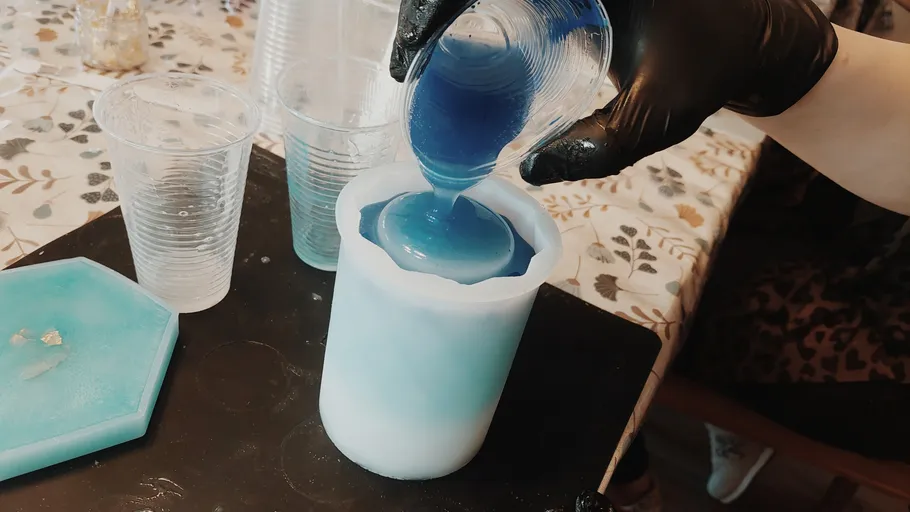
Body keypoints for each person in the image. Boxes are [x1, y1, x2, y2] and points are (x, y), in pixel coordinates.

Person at [391, 0, 910, 510]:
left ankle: (638, 483)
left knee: (622, 329)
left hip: (885, 345)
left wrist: (780, 51)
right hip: (854, 204)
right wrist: (796, 65)